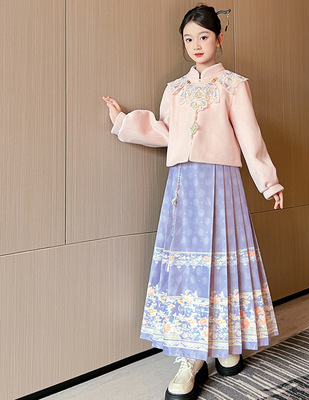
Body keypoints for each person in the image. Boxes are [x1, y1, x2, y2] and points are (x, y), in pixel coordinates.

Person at [103, 4, 283, 400]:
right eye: (189, 38)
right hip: (184, 186)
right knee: (189, 268)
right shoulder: (175, 89)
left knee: (222, 262)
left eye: (203, 36)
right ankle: (191, 357)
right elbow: (165, 131)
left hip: (223, 183)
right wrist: (123, 121)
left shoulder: (233, 85)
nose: (196, 45)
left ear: (219, 38)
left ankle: (226, 344)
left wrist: (269, 183)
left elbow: (250, 136)